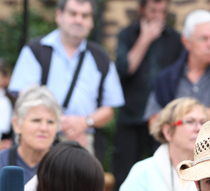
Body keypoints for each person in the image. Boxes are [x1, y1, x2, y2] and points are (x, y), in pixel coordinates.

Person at [8, 0, 125, 160]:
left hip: (83, 140)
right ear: (59, 15)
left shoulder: (101, 57)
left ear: (91, 22)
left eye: (85, 15)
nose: (78, 20)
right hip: (40, 136)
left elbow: (109, 109)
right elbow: (25, 96)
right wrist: (58, 122)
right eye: (73, 13)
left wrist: (85, 122)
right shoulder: (35, 50)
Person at [111, 0, 183, 191]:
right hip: (131, 116)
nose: (158, 17)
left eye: (162, 12)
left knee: (162, 177)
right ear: (141, 9)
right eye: (153, 11)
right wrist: (145, 39)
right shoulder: (127, 34)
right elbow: (124, 69)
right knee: (124, 175)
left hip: (162, 119)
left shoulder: (175, 39)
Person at [143, 10, 210, 126]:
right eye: (204, 38)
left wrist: (180, 117)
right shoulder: (166, 78)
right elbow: (153, 120)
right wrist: (207, 116)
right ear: (186, 42)